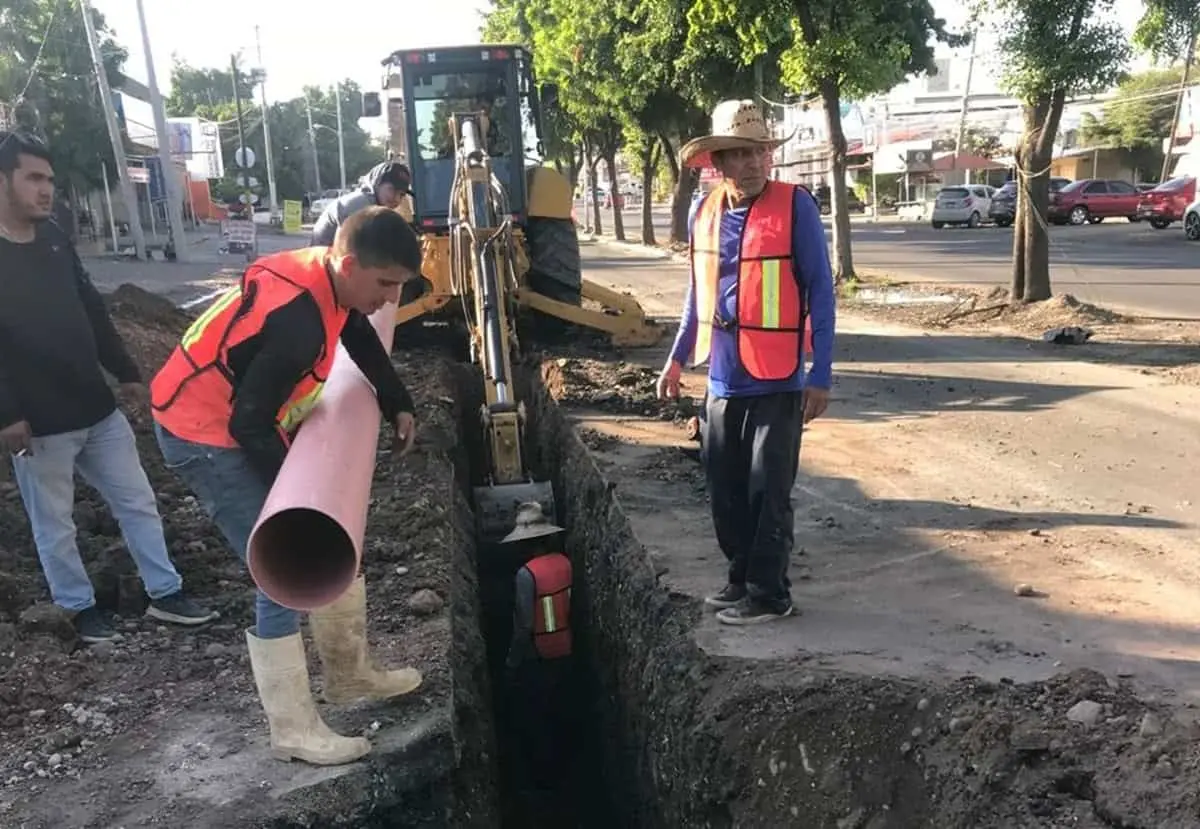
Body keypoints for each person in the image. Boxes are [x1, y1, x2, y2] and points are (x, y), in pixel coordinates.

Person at [150, 206, 425, 766]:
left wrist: (398, 400)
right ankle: (293, 728)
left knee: (330, 540)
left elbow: (359, 338)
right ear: (350, 264)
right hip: (200, 433)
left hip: (235, 420)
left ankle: (348, 676)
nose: (392, 299)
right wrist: (301, 508)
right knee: (282, 568)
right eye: (386, 284)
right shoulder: (297, 318)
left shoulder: (329, 285)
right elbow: (247, 423)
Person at [0, 130, 217, 643]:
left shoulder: (54, 238)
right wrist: (6, 413)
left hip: (96, 409)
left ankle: (165, 593)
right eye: (33, 178)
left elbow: (92, 310)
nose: (46, 188)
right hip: (38, 423)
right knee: (54, 522)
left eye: (49, 179)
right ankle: (77, 608)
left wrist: (127, 372)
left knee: (138, 500)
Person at [655, 100, 836, 626]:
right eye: (741, 154)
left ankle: (770, 593)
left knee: (768, 491)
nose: (754, 162)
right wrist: (676, 358)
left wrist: (819, 374)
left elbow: (821, 293)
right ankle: (739, 578)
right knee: (726, 490)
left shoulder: (795, 206)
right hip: (721, 376)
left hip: (777, 378)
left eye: (760, 151)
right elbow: (697, 293)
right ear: (719, 163)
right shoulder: (703, 212)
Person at [501, 502, 576, 819]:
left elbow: (523, 626)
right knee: (558, 710)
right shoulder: (564, 562)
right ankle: (566, 770)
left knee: (535, 719)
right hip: (565, 646)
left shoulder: (525, 574)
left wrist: (511, 663)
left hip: (536, 655)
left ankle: (543, 784)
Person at [309, 159, 411, 247]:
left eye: (401, 195)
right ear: (377, 183)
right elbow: (349, 253)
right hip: (321, 263)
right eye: (392, 190)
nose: (397, 199)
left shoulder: (372, 206)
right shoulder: (360, 205)